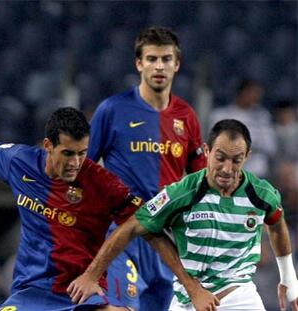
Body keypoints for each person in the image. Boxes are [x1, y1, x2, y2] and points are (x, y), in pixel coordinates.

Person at [0, 92, 191, 311]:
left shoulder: (102, 183)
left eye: (83, 153)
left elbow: (148, 227)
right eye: (68, 154)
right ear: (48, 146)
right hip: (33, 290)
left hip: (87, 286)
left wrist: (191, 286)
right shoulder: (19, 162)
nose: (76, 163)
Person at [68, 119, 298, 311]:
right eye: (220, 158)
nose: (227, 168)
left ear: (246, 157)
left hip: (241, 298)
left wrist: (288, 276)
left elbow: (277, 225)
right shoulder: (182, 193)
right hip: (188, 301)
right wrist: (91, 275)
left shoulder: (262, 194)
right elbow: (131, 227)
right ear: (207, 151)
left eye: (236, 160)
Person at [88, 26, 206, 310]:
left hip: (167, 240)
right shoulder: (112, 110)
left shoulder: (186, 117)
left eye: (166, 59)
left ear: (176, 65)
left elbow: (201, 180)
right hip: (122, 236)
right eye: (152, 59)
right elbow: (84, 169)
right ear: (139, 63)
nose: (159, 66)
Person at [209, 78, 277, 179]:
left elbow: (271, 147)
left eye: (258, 94)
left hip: (257, 172)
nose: (256, 98)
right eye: (252, 93)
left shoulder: (263, 116)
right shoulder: (220, 115)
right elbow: (214, 144)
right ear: (242, 93)